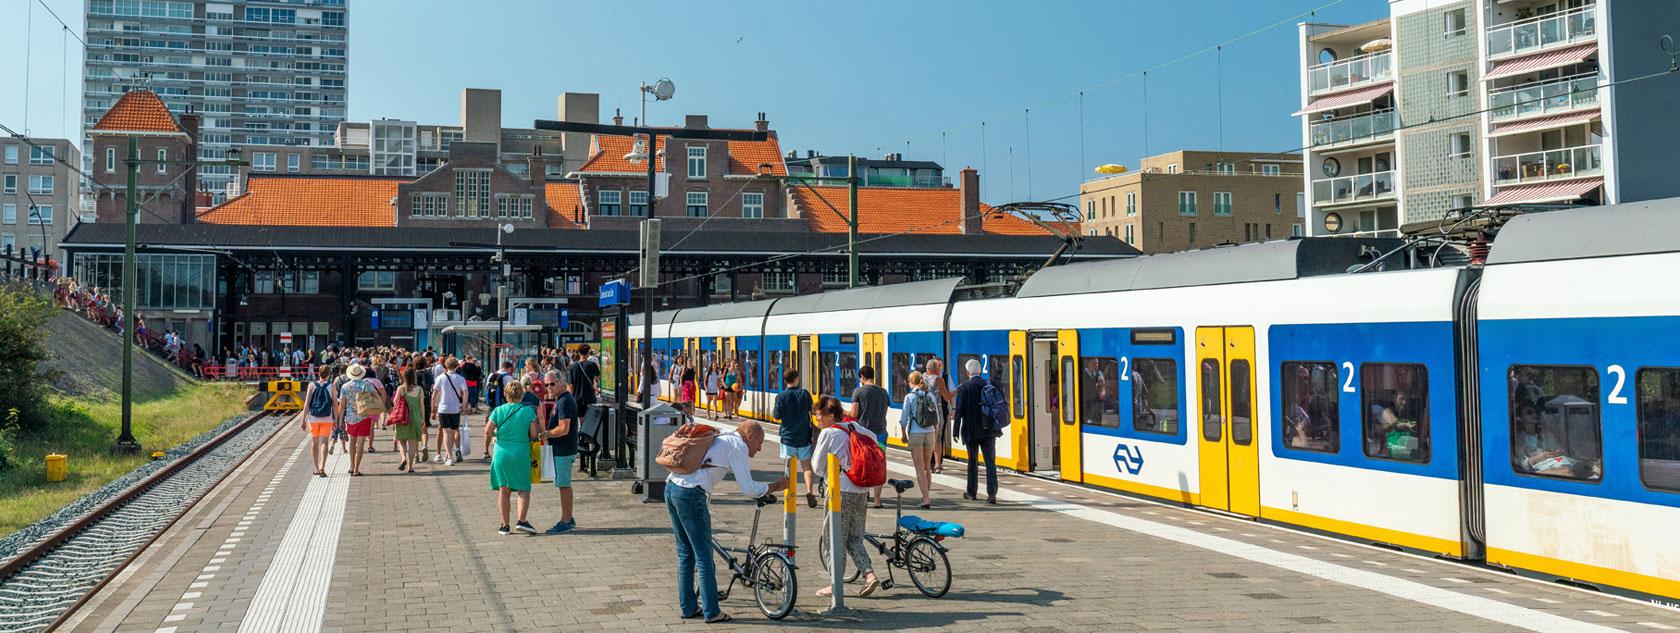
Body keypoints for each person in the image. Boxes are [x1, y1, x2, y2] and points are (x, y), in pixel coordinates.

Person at [664, 421, 789, 624]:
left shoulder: (722, 435)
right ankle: (712, 612)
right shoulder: (737, 446)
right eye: (759, 442)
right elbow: (748, 488)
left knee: (685, 554)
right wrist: (776, 486)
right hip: (690, 494)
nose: (760, 448)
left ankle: (688, 607)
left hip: (671, 488)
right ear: (748, 435)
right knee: (704, 557)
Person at [809, 395, 884, 597]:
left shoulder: (829, 433)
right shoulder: (856, 428)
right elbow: (875, 440)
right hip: (861, 490)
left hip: (839, 492)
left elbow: (816, 467)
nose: (818, 421)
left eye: (820, 416)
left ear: (831, 415)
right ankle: (869, 574)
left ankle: (835, 584)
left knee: (832, 537)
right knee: (854, 537)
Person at [486, 381, 539, 535]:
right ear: (522, 395)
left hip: (501, 452)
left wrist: (499, 435)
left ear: (505, 394)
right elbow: (534, 434)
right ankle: (521, 521)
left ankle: (504, 525)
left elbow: (487, 431)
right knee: (523, 488)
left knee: (504, 489)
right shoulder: (528, 411)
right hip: (520, 451)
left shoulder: (498, 410)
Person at [952, 358, 998, 503]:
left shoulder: (964, 387)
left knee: (973, 461)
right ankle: (992, 494)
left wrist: (955, 431)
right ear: (980, 371)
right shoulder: (988, 385)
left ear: (967, 372)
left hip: (971, 430)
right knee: (990, 462)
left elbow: (959, 411)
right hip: (988, 430)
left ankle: (972, 492)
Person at [774, 370, 819, 508]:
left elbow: (776, 415)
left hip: (788, 437)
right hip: (804, 436)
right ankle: (810, 492)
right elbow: (812, 410)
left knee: (789, 468)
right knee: (806, 466)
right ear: (797, 379)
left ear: (785, 381)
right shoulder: (804, 394)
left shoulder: (780, 397)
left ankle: (790, 494)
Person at [849, 365, 892, 507]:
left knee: (862, 463)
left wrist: (841, 412)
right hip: (880, 434)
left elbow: (853, 414)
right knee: (879, 464)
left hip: (863, 434)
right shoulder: (884, 392)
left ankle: (863, 494)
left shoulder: (859, 392)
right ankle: (877, 500)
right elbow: (884, 412)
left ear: (861, 377)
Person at [543, 374, 580, 534]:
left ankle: (566, 520)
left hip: (564, 450)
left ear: (561, 383)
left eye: (552, 384)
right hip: (562, 449)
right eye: (546, 385)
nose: (548, 388)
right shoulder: (561, 399)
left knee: (564, 485)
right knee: (561, 483)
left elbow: (563, 428)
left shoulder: (564, 401)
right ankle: (568, 516)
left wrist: (547, 434)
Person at [337, 363, 387, 477]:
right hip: (364, 416)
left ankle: (351, 465)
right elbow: (376, 397)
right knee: (360, 445)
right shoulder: (367, 385)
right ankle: (356, 469)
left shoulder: (345, 386)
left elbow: (342, 405)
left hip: (350, 418)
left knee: (352, 442)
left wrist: (340, 421)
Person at [901, 371, 940, 508]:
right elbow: (937, 419)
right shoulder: (930, 395)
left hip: (916, 434)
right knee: (927, 467)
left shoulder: (909, 397)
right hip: (930, 433)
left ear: (911, 382)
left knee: (919, 468)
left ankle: (925, 498)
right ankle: (926, 496)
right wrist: (935, 435)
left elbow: (904, 419)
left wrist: (903, 434)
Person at [432, 357, 470, 466]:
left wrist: (433, 407)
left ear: (446, 366)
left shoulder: (440, 378)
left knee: (446, 433)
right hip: (455, 409)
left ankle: (449, 456)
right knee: (453, 432)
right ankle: (449, 453)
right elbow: (465, 392)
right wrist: (464, 405)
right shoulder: (460, 378)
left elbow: (434, 395)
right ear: (457, 366)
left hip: (443, 408)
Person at [301, 365, 337, 477]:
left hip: (313, 418)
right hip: (327, 418)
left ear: (318, 374)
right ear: (329, 374)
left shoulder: (312, 385)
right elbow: (335, 405)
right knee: (324, 443)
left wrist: (303, 420)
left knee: (314, 442)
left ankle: (316, 468)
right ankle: (322, 466)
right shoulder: (332, 386)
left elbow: (306, 404)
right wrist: (336, 419)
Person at [393, 366, 425, 473]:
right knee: (412, 442)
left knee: (402, 441)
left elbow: (395, 403)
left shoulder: (401, 389)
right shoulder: (419, 389)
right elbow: (421, 405)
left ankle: (403, 459)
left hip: (403, 416)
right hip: (416, 416)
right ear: (414, 376)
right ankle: (410, 467)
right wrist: (423, 418)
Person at [925, 358, 951, 473]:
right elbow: (946, 397)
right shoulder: (939, 380)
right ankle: (937, 464)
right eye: (939, 367)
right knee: (938, 440)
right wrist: (958, 390)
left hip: (925, 413)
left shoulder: (922, 378)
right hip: (937, 413)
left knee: (927, 439)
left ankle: (926, 464)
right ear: (936, 369)